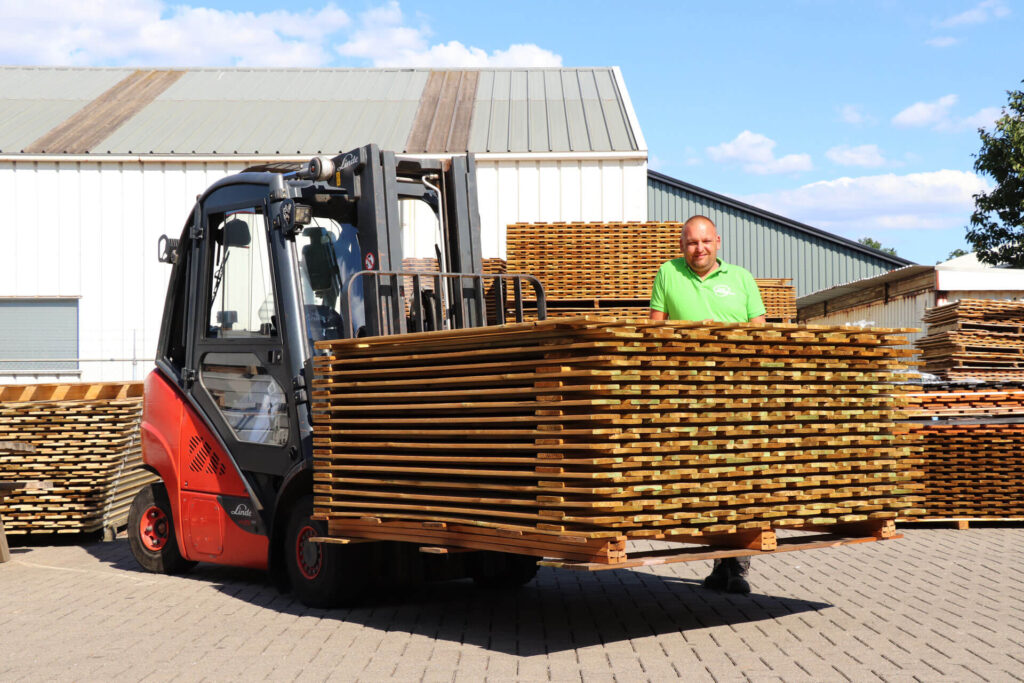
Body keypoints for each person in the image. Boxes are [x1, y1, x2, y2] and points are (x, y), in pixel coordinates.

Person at [649, 215, 766, 595]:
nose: (698, 249)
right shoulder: (668, 274)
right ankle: (721, 560)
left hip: (736, 396)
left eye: (704, 241)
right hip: (687, 395)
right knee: (701, 480)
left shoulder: (741, 278)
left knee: (736, 477)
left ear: (718, 241)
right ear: (681, 245)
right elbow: (652, 330)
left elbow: (761, 334)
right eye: (690, 243)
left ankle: (733, 565)